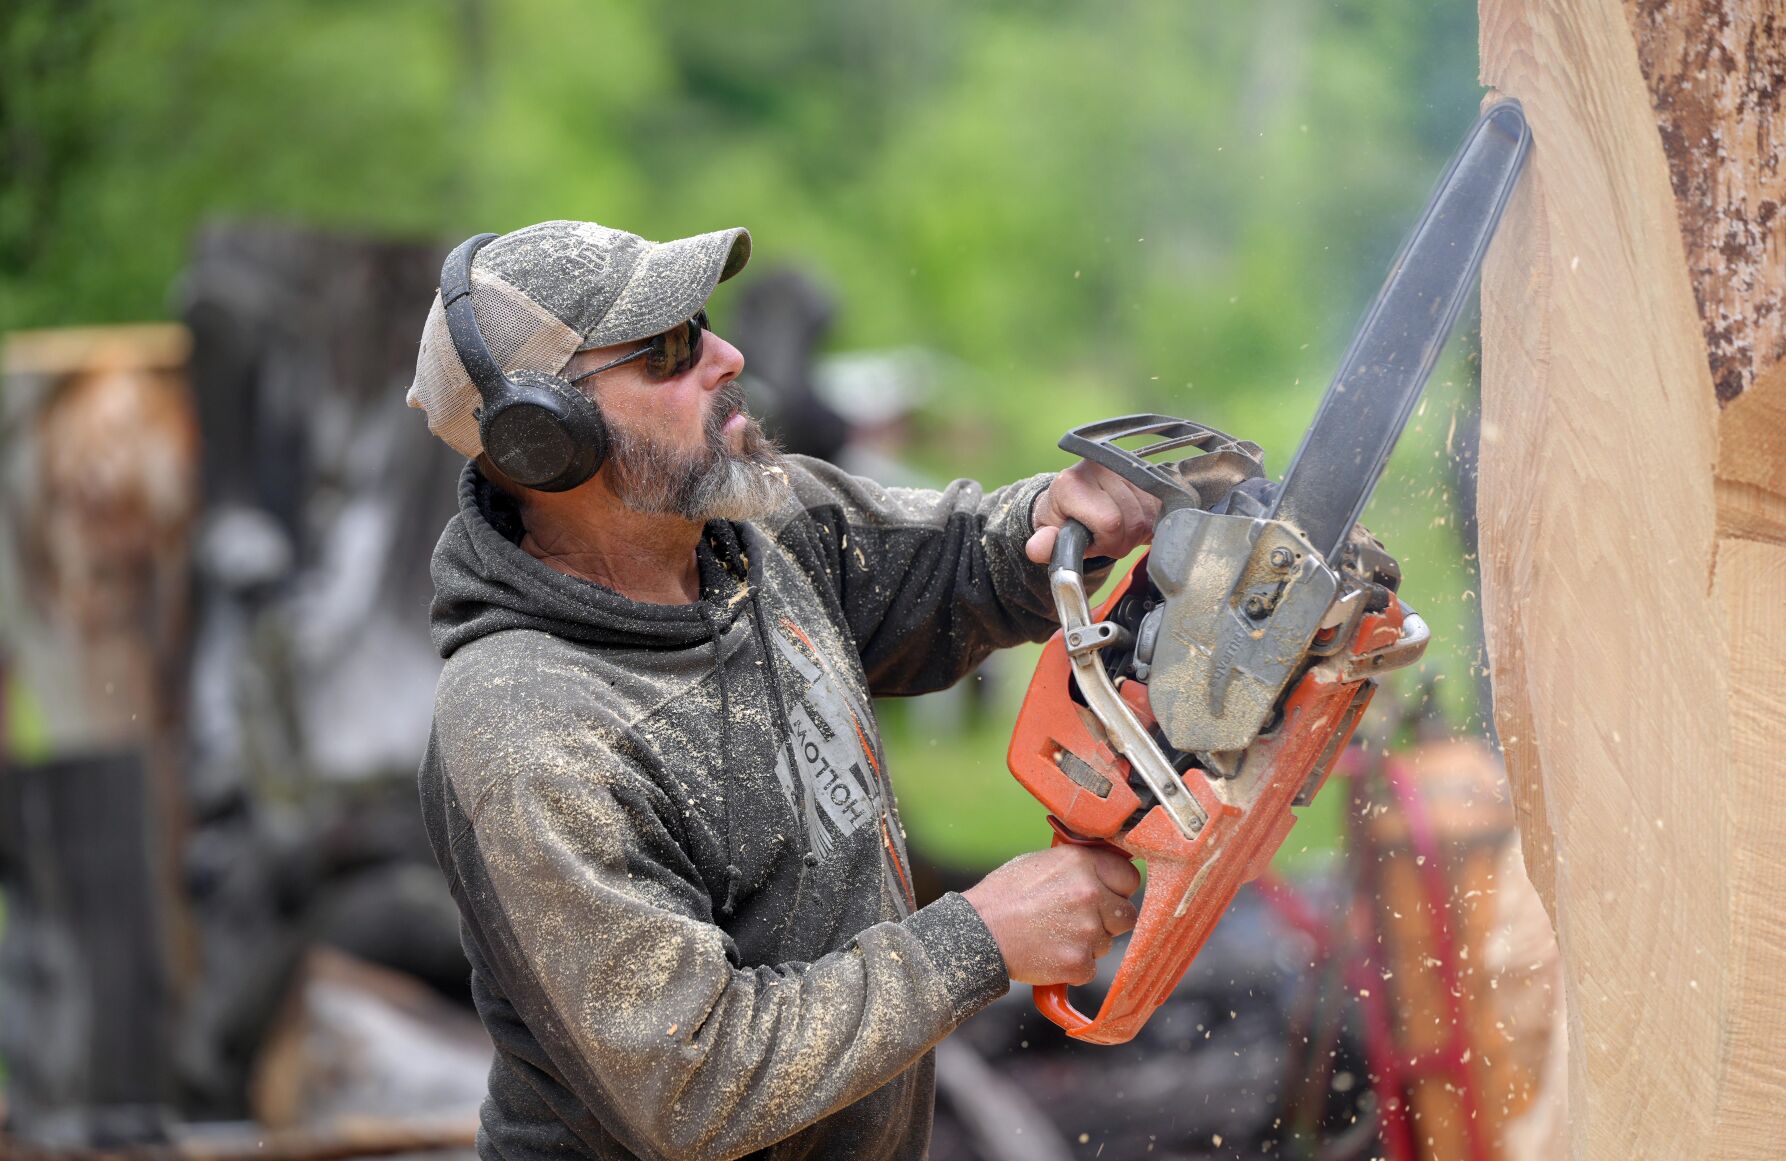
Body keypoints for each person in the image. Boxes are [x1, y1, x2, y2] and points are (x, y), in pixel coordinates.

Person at [406, 220, 1158, 1161]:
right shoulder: (533, 734)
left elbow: (951, 567)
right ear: (544, 440)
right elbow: (698, 1081)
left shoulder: (750, 537)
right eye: (669, 351)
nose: (727, 356)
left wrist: (1054, 518)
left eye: (704, 326)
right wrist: (981, 939)